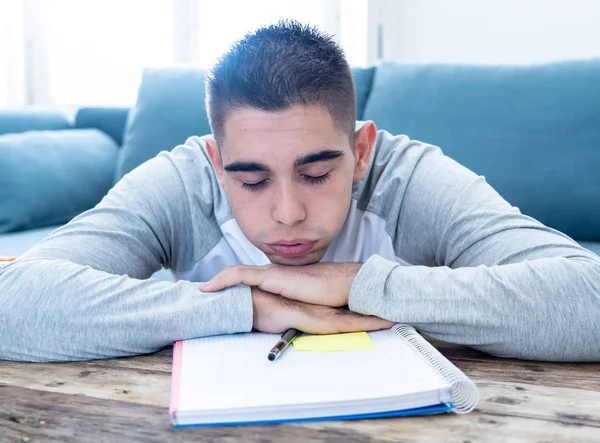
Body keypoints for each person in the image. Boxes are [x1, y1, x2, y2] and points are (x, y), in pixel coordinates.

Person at [1, 21, 599, 363]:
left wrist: (353, 281)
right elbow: (14, 300)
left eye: (317, 174)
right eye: (251, 179)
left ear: (361, 150)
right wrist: (249, 307)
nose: (288, 213)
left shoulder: (410, 176)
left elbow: (587, 296)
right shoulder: (183, 178)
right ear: (217, 161)